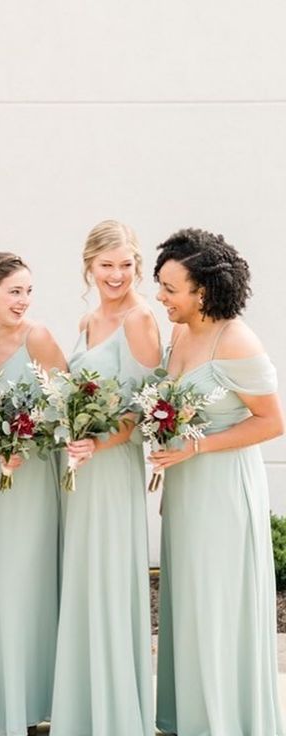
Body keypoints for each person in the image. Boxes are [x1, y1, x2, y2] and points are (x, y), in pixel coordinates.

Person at [152, 228, 285, 735]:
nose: (161, 297)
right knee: (189, 604)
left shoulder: (236, 340)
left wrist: (198, 447)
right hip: (185, 491)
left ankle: (226, 721)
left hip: (223, 490)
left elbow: (273, 422)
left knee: (218, 604)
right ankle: (193, 717)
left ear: (202, 291)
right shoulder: (182, 333)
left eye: (169, 288)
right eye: (160, 286)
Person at [51, 220, 160, 735]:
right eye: (106, 265)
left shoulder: (140, 320)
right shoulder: (88, 318)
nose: (116, 275)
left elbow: (147, 410)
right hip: (81, 469)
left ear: (137, 264)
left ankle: (116, 714)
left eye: (125, 264)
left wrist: (99, 441)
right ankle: (85, 710)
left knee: (110, 579)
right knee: (85, 578)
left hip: (111, 469)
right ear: (89, 266)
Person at [0, 252, 66, 735]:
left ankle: (27, 701)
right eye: (14, 292)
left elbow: (67, 405)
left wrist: (27, 443)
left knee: (19, 583)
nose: (24, 301)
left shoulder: (39, 339)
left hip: (29, 481)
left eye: (28, 291)